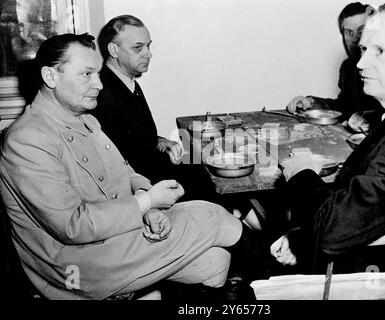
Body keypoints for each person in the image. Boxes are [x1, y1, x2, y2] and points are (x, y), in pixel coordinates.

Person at [0, 33, 266, 300]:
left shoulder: (85, 120)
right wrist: (146, 203)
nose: (100, 85)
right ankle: (281, 271)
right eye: (87, 74)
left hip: (111, 238)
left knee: (215, 258)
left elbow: (125, 170)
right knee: (213, 218)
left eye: (98, 74)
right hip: (75, 266)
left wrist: (147, 204)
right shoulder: (27, 139)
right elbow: (73, 225)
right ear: (50, 77)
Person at [272, 2, 385, 294]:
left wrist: (301, 172)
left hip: (383, 285)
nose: (360, 63)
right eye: (364, 50)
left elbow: (335, 230)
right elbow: (370, 207)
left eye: (380, 51)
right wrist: (303, 237)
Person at [91, 15, 214, 201]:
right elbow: (125, 161)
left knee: (201, 164)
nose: (148, 54)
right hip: (140, 185)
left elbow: (133, 135)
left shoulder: (126, 82)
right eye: (138, 48)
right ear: (114, 50)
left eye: (148, 46)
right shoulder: (104, 93)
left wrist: (161, 141)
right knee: (206, 173)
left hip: (149, 167)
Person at [285, 2, 382, 121]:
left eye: (361, 30)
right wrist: (310, 103)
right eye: (349, 32)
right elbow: (343, 107)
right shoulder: (348, 67)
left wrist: (366, 118)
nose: (356, 38)